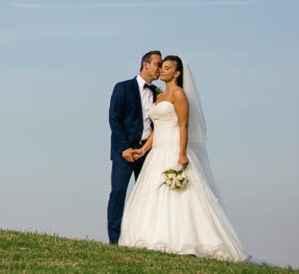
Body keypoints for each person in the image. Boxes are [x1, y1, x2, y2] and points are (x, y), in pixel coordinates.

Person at [118, 56, 249, 261]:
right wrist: (143, 150)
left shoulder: (179, 95)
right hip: (156, 152)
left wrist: (181, 153)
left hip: (172, 150)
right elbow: (157, 128)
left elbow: (182, 126)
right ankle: (152, 237)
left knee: (180, 196)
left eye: (167, 68)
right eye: (161, 67)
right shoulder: (159, 96)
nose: (162, 70)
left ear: (177, 74)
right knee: (152, 196)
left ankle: (186, 240)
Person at [106, 50, 162, 244]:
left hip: (147, 152)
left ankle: (141, 238)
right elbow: (114, 119)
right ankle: (114, 239)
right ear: (146, 64)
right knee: (119, 191)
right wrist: (124, 149)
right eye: (157, 64)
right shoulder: (123, 88)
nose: (160, 68)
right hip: (124, 152)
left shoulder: (158, 93)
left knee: (146, 196)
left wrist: (146, 148)